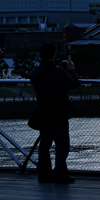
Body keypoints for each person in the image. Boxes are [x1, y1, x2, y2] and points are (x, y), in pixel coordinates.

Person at [30, 43, 80, 184]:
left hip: (43, 114)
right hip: (59, 114)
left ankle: (44, 174)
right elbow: (74, 84)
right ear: (54, 55)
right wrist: (71, 70)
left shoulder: (34, 73)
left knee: (44, 146)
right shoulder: (59, 72)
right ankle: (60, 174)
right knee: (62, 146)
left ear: (40, 56)